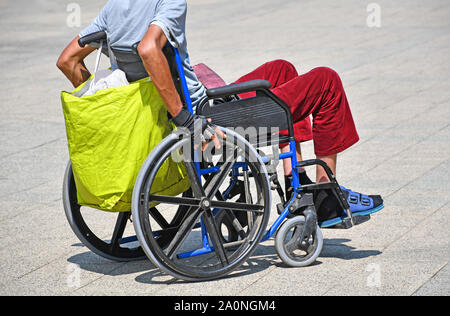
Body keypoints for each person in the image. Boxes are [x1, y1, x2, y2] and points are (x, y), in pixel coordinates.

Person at [57, 0, 383, 225]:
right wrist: (185, 119)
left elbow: (67, 61)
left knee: (281, 70)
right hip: (209, 118)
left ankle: (294, 182)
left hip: (185, 111)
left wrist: (115, 103)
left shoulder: (113, 9)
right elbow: (148, 48)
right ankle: (326, 197)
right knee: (326, 81)